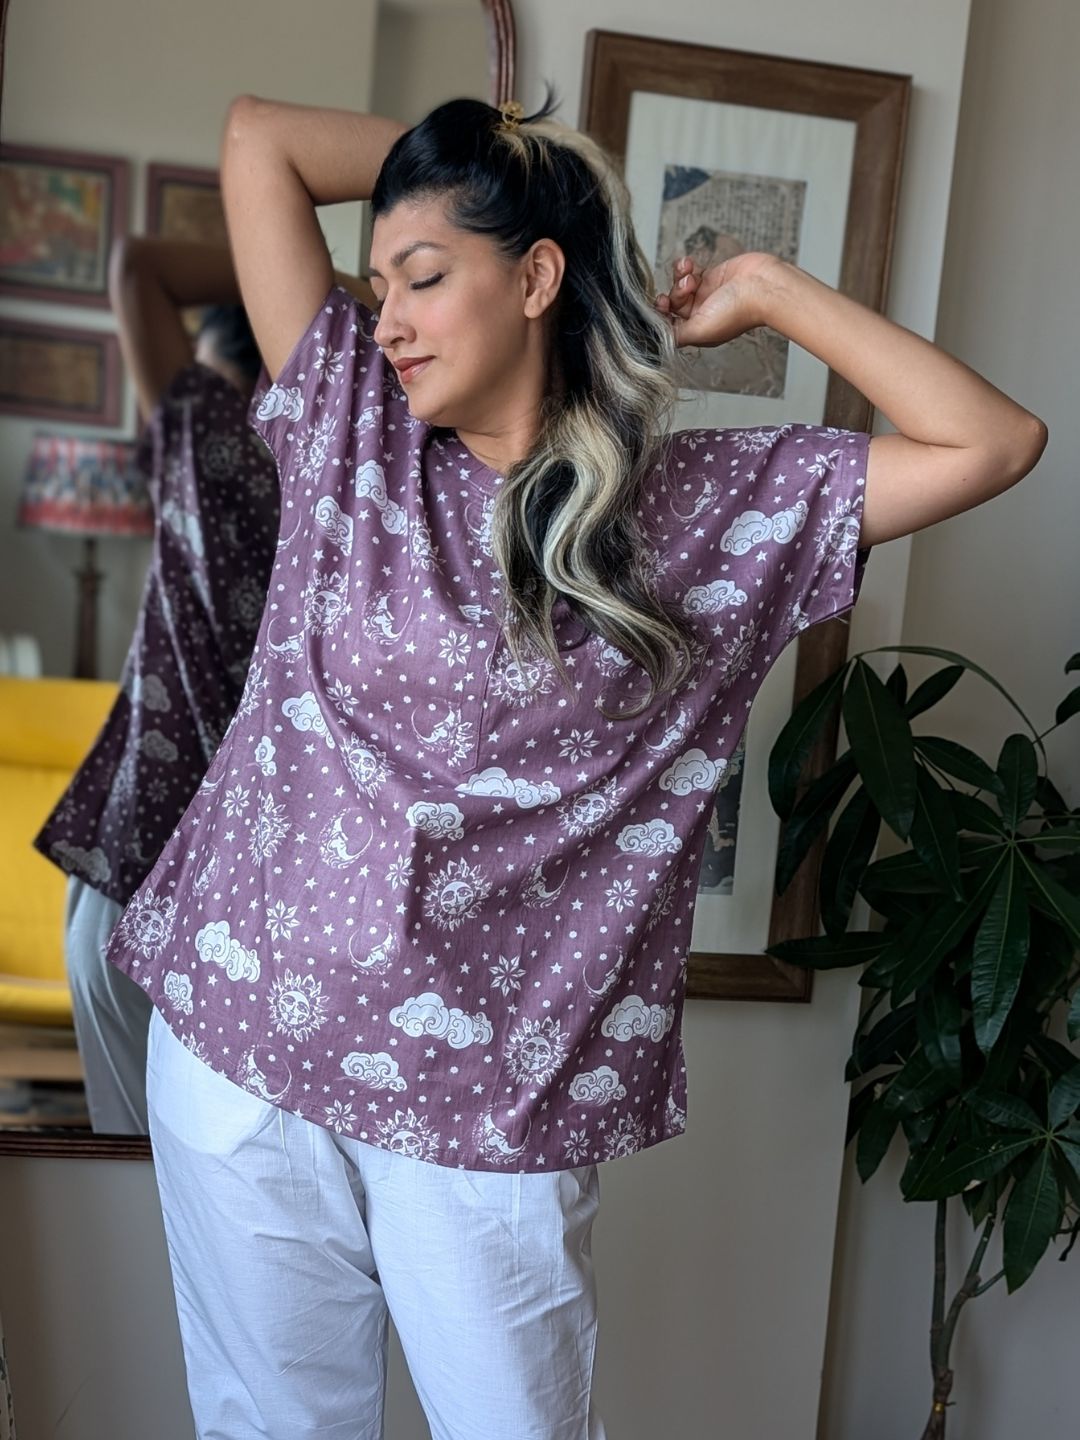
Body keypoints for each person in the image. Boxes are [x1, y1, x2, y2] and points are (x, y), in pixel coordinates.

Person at [104, 95, 1046, 1437]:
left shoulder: (712, 511)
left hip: (491, 1100)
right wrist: (508, 166)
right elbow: (257, 137)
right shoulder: (347, 418)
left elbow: (994, 441)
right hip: (242, 1048)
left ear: (538, 276)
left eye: (425, 276)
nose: (389, 320)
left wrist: (769, 290)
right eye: (380, 286)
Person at [35, 238, 280, 1134]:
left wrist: (329, 280)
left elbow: (137, 268)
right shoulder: (353, 488)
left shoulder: (215, 440)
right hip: (247, 893)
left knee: (139, 1167)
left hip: (140, 861)